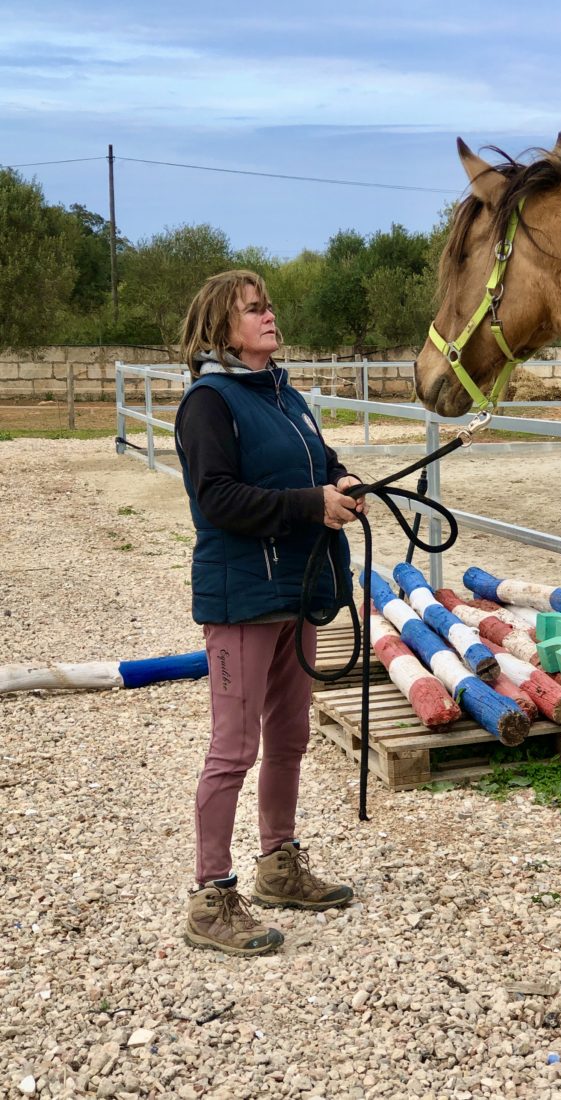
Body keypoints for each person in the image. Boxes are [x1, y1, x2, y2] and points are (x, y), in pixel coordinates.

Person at [174, 269, 365, 956]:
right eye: (253, 310)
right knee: (233, 748)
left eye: (268, 306)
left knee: (288, 738)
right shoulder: (209, 403)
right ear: (220, 328)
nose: (268, 315)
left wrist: (340, 482)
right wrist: (310, 505)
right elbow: (217, 498)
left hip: (296, 590)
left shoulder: (284, 395)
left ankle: (278, 865)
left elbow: (318, 461)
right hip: (241, 598)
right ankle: (209, 896)